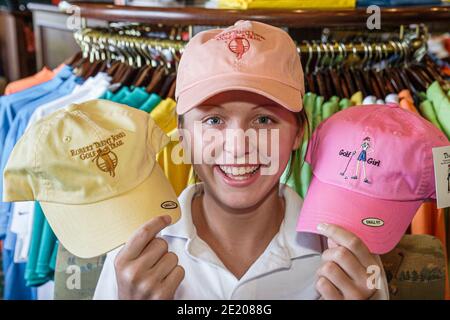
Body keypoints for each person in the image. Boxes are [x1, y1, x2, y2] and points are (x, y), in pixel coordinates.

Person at [94, 20, 388, 300]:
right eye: (213, 120)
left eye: (263, 119)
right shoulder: (134, 255)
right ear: (182, 135)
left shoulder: (349, 259)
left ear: (298, 132)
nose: (238, 147)